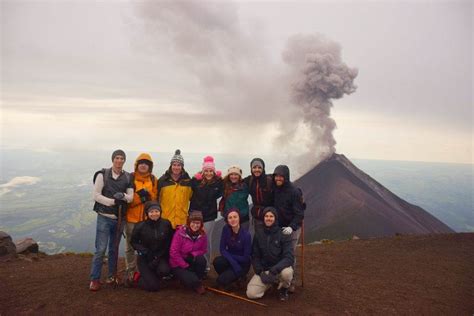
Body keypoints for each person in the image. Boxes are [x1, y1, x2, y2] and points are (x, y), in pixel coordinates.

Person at [89, 149, 134, 291]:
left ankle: (111, 276)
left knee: (114, 249)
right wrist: (113, 201)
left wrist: (123, 197)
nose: (119, 160)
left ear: (124, 161)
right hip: (104, 217)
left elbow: (131, 197)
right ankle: (94, 279)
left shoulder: (127, 177)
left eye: (122, 158)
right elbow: (96, 195)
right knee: (101, 249)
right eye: (117, 158)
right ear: (113, 159)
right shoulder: (102, 175)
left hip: (120, 218)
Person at [246, 207, 294, 301]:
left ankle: (284, 288)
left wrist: (274, 271)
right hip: (265, 270)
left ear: (275, 218)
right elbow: (255, 256)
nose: (268, 218)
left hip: (279, 269)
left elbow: (289, 258)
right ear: (263, 218)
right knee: (251, 294)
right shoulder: (258, 234)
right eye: (266, 216)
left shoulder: (283, 234)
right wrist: (260, 272)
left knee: (287, 273)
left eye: (271, 216)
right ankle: (269, 284)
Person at [124, 153, 158, 280]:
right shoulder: (129, 178)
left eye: (146, 163)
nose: (143, 165)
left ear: (150, 166)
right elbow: (127, 200)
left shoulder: (154, 180)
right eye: (141, 163)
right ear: (137, 165)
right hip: (131, 219)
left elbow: (154, 199)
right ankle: (131, 271)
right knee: (130, 247)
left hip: (146, 220)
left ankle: (144, 270)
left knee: (146, 246)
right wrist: (140, 197)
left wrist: (148, 198)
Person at [273, 164, 305, 293]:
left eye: (281, 176)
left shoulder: (294, 191)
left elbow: (299, 214)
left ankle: (289, 282)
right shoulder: (275, 189)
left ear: (286, 177)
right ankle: (280, 278)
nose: (278, 178)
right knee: (278, 252)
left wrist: (291, 227)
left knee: (289, 254)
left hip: (292, 228)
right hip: (279, 228)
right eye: (276, 176)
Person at [130, 201, 173, 291]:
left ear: (160, 212)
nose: (154, 214)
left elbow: (169, 241)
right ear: (147, 213)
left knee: (165, 271)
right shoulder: (140, 226)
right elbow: (133, 242)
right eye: (151, 212)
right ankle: (138, 277)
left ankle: (152, 276)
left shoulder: (166, 224)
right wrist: (145, 251)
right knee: (153, 287)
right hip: (145, 258)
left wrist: (159, 256)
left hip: (159, 257)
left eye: (156, 211)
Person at [190, 155, 223, 272]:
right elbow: (188, 192)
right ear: (203, 171)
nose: (209, 173)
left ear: (214, 171)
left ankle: (206, 265)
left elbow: (221, 192)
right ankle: (194, 263)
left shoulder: (218, 183)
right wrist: (194, 177)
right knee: (193, 239)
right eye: (206, 171)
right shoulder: (196, 181)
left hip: (209, 216)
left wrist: (220, 178)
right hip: (195, 215)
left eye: (211, 171)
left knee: (205, 239)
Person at [169, 211, 208, 294]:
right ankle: (194, 282)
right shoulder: (180, 233)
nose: (195, 225)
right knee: (191, 280)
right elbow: (173, 252)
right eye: (193, 222)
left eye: (198, 223)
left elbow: (203, 250)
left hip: (191, 259)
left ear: (201, 224)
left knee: (201, 260)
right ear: (189, 222)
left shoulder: (203, 234)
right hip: (178, 263)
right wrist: (184, 265)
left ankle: (196, 280)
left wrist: (193, 254)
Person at [213, 208, 251, 289]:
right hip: (231, 261)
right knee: (217, 261)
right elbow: (222, 249)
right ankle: (231, 277)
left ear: (239, 218)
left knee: (220, 282)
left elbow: (246, 258)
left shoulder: (246, 235)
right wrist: (234, 263)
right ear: (227, 220)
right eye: (230, 218)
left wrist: (231, 258)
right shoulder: (225, 229)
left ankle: (240, 276)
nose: (233, 219)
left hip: (242, 264)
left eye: (235, 217)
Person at [158, 149, 193, 230]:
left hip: (182, 221)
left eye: (179, 165)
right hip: (165, 221)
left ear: (182, 167)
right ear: (171, 166)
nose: (176, 167)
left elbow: (193, 198)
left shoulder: (188, 182)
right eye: (174, 165)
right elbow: (157, 199)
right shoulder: (162, 181)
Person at [243, 158, 274, 232]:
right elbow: (236, 182)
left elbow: (283, 184)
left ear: (263, 168)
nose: (257, 170)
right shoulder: (249, 180)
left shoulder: (270, 180)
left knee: (270, 239)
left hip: (270, 216)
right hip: (257, 215)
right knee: (259, 238)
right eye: (254, 167)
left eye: (259, 167)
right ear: (251, 169)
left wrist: (297, 193)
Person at [219, 165, 250, 230]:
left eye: (236, 174)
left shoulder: (245, 185)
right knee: (229, 238)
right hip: (230, 217)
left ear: (239, 176)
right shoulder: (224, 185)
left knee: (243, 238)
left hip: (243, 218)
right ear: (228, 176)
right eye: (231, 174)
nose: (233, 176)